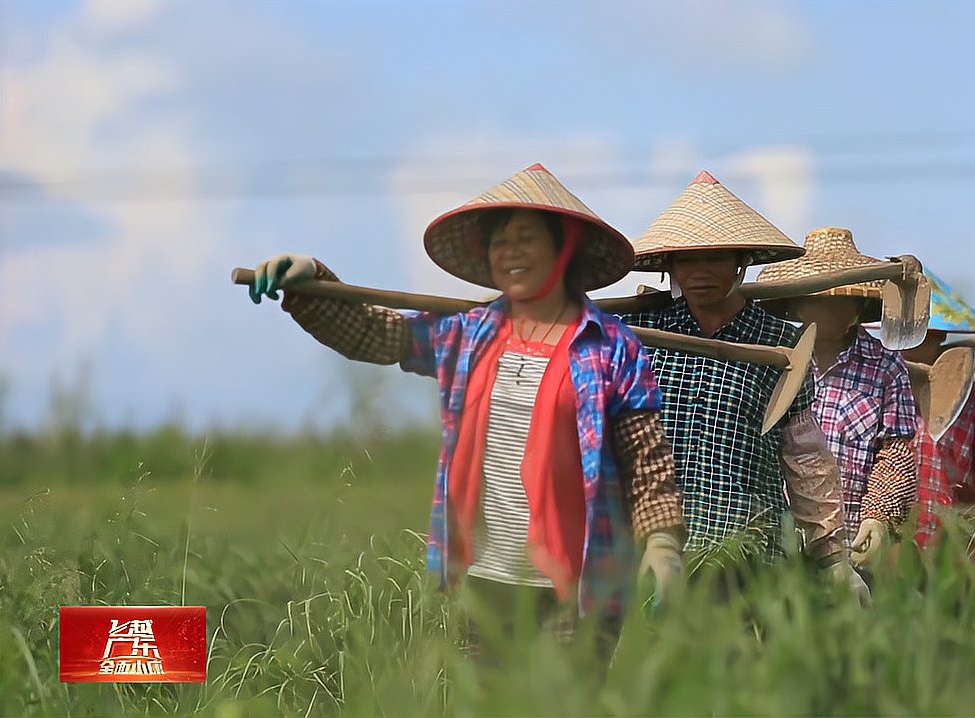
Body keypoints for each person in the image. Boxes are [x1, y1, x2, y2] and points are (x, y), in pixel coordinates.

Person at [245, 164, 684, 651]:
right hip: (485, 579)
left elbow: (646, 459)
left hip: (581, 588)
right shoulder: (468, 334)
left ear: (564, 251)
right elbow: (375, 333)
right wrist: (310, 280)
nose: (510, 251)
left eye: (526, 238)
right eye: (499, 241)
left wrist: (662, 544)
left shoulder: (610, 348)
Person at [622, 172, 867, 603]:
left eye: (716, 258)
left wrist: (834, 557)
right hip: (655, 547)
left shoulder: (781, 344)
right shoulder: (641, 334)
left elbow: (805, 455)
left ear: (740, 262)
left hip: (749, 548)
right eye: (687, 259)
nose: (700, 272)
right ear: (669, 267)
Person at [753, 228, 919, 567]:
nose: (828, 308)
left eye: (840, 298)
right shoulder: (773, 358)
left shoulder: (885, 367)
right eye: (818, 298)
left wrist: (879, 516)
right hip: (775, 539)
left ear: (859, 305)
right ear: (797, 303)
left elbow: (896, 453)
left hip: (852, 542)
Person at [900, 268, 975, 553]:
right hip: (880, 548)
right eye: (907, 335)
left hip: (948, 554)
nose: (912, 345)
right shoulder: (876, 389)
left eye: (923, 335)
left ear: (941, 336)